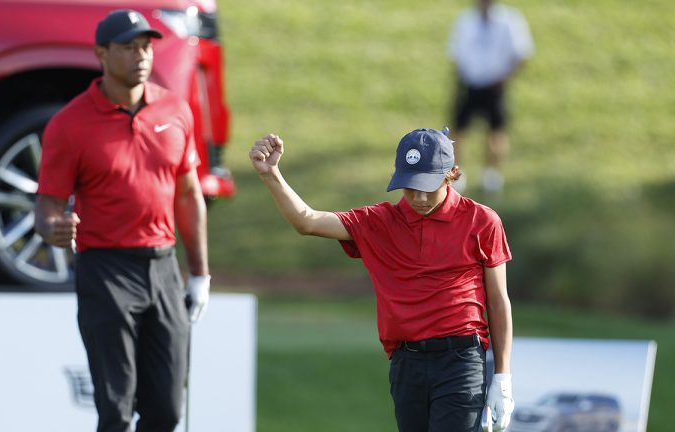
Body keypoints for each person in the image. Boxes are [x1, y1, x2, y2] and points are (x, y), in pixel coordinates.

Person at [249, 128, 514, 432]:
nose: (419, 197)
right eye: (411, 187)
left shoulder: (481, 221)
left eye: (428, 187)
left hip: (462, 361)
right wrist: (271, 174)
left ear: (452, 173)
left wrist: (502, 379)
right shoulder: (379, 222)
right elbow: (306, 221)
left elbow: (497, 300)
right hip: (406, 363)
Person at [34, 9, 210, 432]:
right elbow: (47, 206)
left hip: (163, 268)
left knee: (166, 412)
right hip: (105, 272)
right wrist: (53, 229)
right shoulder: (69, 124)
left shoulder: (176, 110)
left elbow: (188, 195)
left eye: (146, 46)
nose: (141, 56)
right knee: (115, 411)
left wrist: (200, 273)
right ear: (101, 53)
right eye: (128, 47)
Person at [447, 0, 534, 194]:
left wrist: (504, 77)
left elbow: (521, 53)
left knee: (496, 131)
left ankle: (492, 176)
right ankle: (458, 174)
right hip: (469, 82)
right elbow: (457, 53)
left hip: (495, 84)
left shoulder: (510, 20)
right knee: (458, 130)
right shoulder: (466, 20)